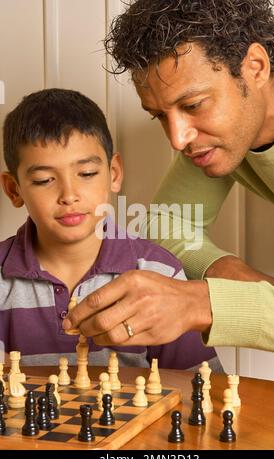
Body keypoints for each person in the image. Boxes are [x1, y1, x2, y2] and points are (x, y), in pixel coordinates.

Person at [63, 0, 274, 356]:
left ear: (256, 67)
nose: (177, 139)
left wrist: (201, 303)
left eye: (193, 105)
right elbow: (165, 220)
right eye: (160, 115)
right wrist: (222, 269)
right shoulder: (214, 136)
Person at [0, 87, 220, 370]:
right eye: (44, 180)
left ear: (113, 174)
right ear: (13, 190)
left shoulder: (159, 273)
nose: (69, 195)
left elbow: (200, 389)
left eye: (87, 174)